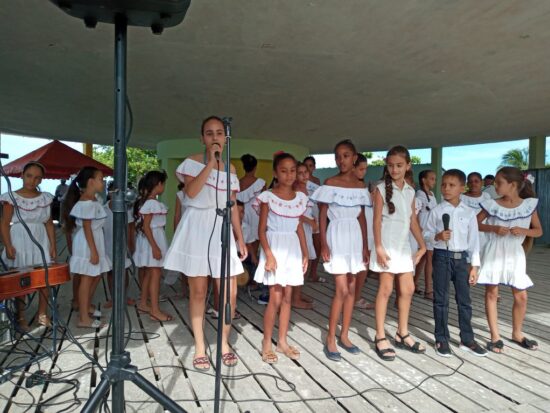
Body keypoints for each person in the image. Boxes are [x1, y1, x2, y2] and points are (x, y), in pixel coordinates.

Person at [163, 115, 247, 370]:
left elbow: (231, 206)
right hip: (198, 227)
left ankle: (223, 343)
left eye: (219, 133)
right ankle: (200, 346)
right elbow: (190, 193)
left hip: (222, 228)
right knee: (198, 291)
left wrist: (240, 238)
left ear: (226, 137)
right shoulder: (191, 163)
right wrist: (210, 163)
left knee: (229, 292)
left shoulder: (231, 169)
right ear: (202, 138)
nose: (214, 137)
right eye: (209, 133)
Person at [311, 139, 369, 362]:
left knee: (352, 288)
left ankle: (344, 334)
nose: (341, 160)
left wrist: (365, 245)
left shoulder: (361, 187)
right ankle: (330, 338)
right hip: (336, 235)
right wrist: (324, 243)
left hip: (354, 236)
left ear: (354, 157)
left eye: (346, 155)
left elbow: (362, 217)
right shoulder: (330, 182)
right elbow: (322, 214)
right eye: (338, 156)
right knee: (342, 289)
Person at [369, 145, 426, 361]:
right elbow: (375, 222)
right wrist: (379, 248)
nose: (395, 169)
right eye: (391, 165)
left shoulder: (411, 191)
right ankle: (380, 335)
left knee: (408, 289)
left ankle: (402, 333)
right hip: (386, 246)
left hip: (403, 247)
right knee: (385, 289)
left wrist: (422, 245)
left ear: (408, 166)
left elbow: (412, 220)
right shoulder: (381, 189)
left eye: (399, 165)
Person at [477, 167, 543, 353]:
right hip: (494, 250)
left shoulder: (529, 205)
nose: (495, 186)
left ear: (512, 185)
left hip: (515, 253)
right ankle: (495, 336)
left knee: (521, 295)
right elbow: (476, 223)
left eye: (499, 183)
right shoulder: (492, 204)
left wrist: (524, 230)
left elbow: (538, 230)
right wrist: (494, 229)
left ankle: (517, 332)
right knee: (492, 293)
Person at [424, 169, 487, 357]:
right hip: (442, 257)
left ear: (462, 188)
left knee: (464, 301)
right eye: (443, 184)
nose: (446, 188)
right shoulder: (436, 211)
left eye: (452, 185)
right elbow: (426, 235)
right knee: (441, 300)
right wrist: (437, 236)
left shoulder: (469, 213)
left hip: (462, 260)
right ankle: (441, 339)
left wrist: (474, 267)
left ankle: (467, 339)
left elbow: (474, 241)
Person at [254, 153, 309, 364]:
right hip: (274, 247)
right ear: (276, 173)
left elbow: (299, 228)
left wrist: (305, 253)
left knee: (288, 297)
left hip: (293, 248)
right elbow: (261, 231)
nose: (289, 175)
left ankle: (282, 341)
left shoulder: (300, 199)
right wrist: (268, 254)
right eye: (284, 170)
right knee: (275, 298)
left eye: (292, 170)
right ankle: (267, 342)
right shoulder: (268, 196)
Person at [0, 162, 56, 329]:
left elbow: (49, 223)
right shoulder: (11, 196)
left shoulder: (45, 197)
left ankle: (42, 314)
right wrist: (8, 245)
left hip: (40, 238)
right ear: (22, 175)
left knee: (44, 277)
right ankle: (20, 316)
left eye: (37, 177)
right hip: (19, 238)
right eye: (29, 176)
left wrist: (53, 245)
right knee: (21, 280)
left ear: (41, 180)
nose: (32, 180)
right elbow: (4, 223)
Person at [63, 166, 111, 329]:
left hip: (93, 240)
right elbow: (87, 227)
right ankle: (83, 317)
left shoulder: (92, 200)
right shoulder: (86, 203)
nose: (103, 182)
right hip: (88, 242)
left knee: (96, 274)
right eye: (100, 179)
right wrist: (93, 251)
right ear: (91, 181)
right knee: (87, 277)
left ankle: (85, 305)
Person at [133, 170, 172, 322]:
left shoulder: (148, 202)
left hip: (152, 239)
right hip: (153, 240)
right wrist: (155, 247)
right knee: (155, 274)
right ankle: (155, 310)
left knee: (150, 273)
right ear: (159, 184)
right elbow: (146, 227)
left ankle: (143, 302)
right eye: (164, 184)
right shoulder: (152, 203)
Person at [102, 190, 136, 308]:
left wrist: (131, 245)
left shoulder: (127, 209)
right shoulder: (103, 209)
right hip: (107, 245)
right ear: (110, 193)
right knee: (110, 272)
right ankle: (113, 298)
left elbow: (131, 228)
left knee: (124, 271)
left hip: (123, 245)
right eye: (113, 192)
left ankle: (124, 296)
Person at [291, 162, 317, 309]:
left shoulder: (307, 190)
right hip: (298, 229)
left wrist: (314, 221)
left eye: (305, 172)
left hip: (306, 229)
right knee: (300, 264)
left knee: (304, 264)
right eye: (299, 173)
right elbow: (295, 214)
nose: (303, 175)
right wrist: (310, 221)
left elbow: (309, 210)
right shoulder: (295, 191)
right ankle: (295, 298)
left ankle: (298, 293)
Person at [352, 153, 374, 310]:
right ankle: (353, 296)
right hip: (356, 228)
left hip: (369, 227)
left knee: (364, 264)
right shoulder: (349, 187)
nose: (363, 172)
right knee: (356, 265)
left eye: (365, 169)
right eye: (361, 169)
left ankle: (356, 296)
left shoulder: (363, 185)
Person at [237, 154, 266, 266]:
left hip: (241, 214)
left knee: (244, 241)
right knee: (255, 242)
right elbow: (264, 202)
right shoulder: (261, 183)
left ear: (244, 167)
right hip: (256, 214)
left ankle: (245, 269)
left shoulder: (239, 182)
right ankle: (253, 269)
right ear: (255, 167)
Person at [414, 170, 437, 300]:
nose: (434, 181)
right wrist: (420, 229)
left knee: (423, 259)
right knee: (429, 259)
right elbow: (416, 213)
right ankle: (429, 290)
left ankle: (414, 283)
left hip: (430, 229)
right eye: (432, 178)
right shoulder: (420, 194)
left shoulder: (432, 194)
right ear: (424, 180)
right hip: (424, 230)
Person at [460, 172, 492, 250]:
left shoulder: (486, 196)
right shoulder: (461, 197)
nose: (473, 184)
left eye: (476, 181)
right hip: (466, 234)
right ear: (467, 184)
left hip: (483, 234)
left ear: (482, 182)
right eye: (470, 182)